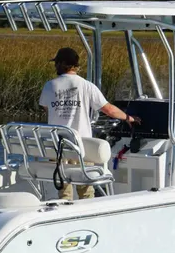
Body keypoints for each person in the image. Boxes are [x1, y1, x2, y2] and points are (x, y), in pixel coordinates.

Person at [38, 47, 140, 200]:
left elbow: (46, 108)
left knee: (64, 193)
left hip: (58, 147)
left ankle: (65, 206)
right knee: (86, 190)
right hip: (81, 146)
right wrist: (129, 118)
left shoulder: (49, 85)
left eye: (56, 63)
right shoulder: (87, 86)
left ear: (62, 64)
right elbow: (109, 110)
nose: (55, 66)